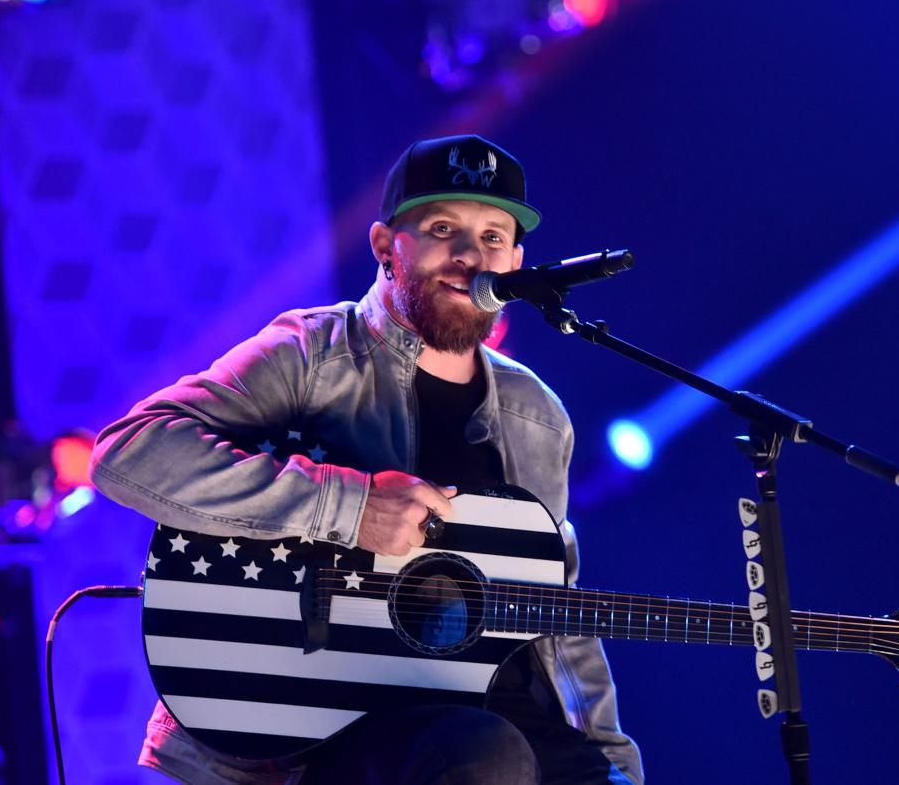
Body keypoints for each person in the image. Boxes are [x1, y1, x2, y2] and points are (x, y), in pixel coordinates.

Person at [90, 134, 643, 784]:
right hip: (332, 723)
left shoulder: (536, 414)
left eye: (494, 237)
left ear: (517, 260)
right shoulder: (312, 353)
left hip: (503, 712)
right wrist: (346, 507)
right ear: (386, 246)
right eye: (444, 228)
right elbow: (129, 450)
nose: (471, 255)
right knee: (483, 753)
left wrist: (611, 758)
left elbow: (558, 611)